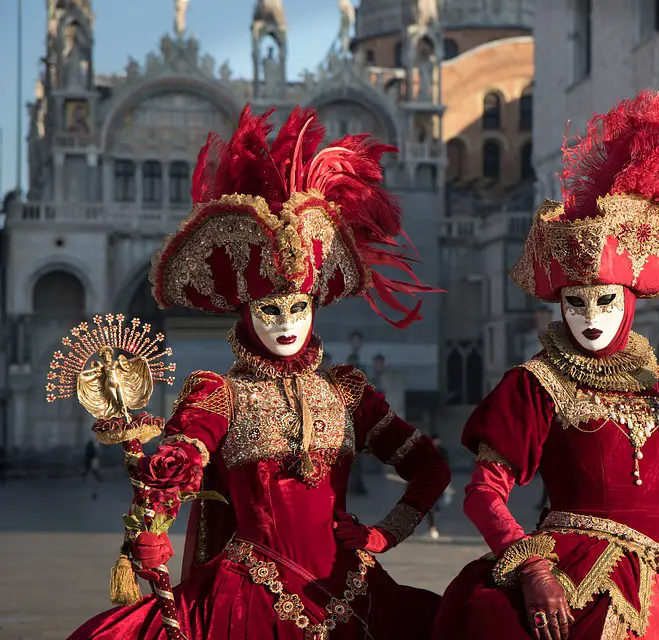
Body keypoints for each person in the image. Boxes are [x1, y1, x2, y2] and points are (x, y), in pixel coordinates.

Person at [433, 91, 659, 640]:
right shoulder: (535, 385)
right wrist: (533, 566)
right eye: (575, 302)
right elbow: (484, 491)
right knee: (493, 617)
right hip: (574, 560)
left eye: (604, 301)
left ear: (629, 301)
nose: (589, 316)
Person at [68, 106, 450, 639]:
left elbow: (430, 469)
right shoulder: (218, 396)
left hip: (349, 593)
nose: (287, 323)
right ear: (247, 312)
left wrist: (382, 536)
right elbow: (177, 467)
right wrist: (152, 527)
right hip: (246, 600)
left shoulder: (347, 394)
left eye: (298, 307)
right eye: (271, 310)